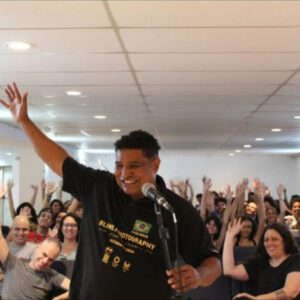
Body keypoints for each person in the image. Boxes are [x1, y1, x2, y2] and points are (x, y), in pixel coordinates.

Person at [0, 83, 221, 300]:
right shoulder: (100, 187)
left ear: (155, 164)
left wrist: (199, 275)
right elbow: (58, 159)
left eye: (134, 166)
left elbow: (213, 262)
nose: (125, 174)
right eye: (119, 166)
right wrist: (25, 122)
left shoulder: (174, 209)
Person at [223, 219, 300, 299]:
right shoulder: (259, 262)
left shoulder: (296, 259)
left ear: (285, 241)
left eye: (274, 239)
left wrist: (257, 299)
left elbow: (291, 292)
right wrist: (229, 236)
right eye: (266, 240)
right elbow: (229, 270)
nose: (269, 243)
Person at [0, 223, 70, 300]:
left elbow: (76, 289)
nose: (45, 261)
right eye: (44, 254)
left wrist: (58, 299)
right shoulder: (14, 262)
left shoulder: (52, 275)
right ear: (37, 249)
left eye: (50, 259)